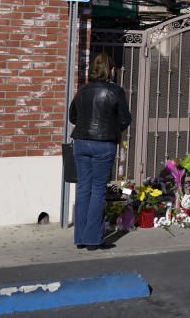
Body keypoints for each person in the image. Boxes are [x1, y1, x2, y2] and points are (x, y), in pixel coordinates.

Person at [68, 52, 131, 251]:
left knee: (83, 189)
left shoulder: (83, 90)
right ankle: (93, 238)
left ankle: (80, 237)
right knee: (97, 190)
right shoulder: (115, 91)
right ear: (111, 70)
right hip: (103, 143)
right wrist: (110, 128)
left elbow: (73, 116)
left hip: (81, 142)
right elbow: (124, 119)